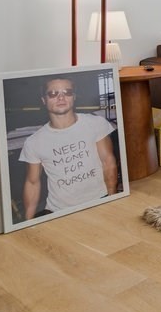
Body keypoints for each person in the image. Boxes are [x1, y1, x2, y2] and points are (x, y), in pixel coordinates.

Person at [19, 77, 119, 219]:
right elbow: (32, 182)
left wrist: (112, 200)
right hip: (59, 211)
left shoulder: (96, 123)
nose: (61, 97)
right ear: (43, 100)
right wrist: (28, 223)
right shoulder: (33, 142)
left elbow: (108, 163)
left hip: (100, 200)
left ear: (74, 97)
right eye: (53, 93)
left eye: (67, 92)